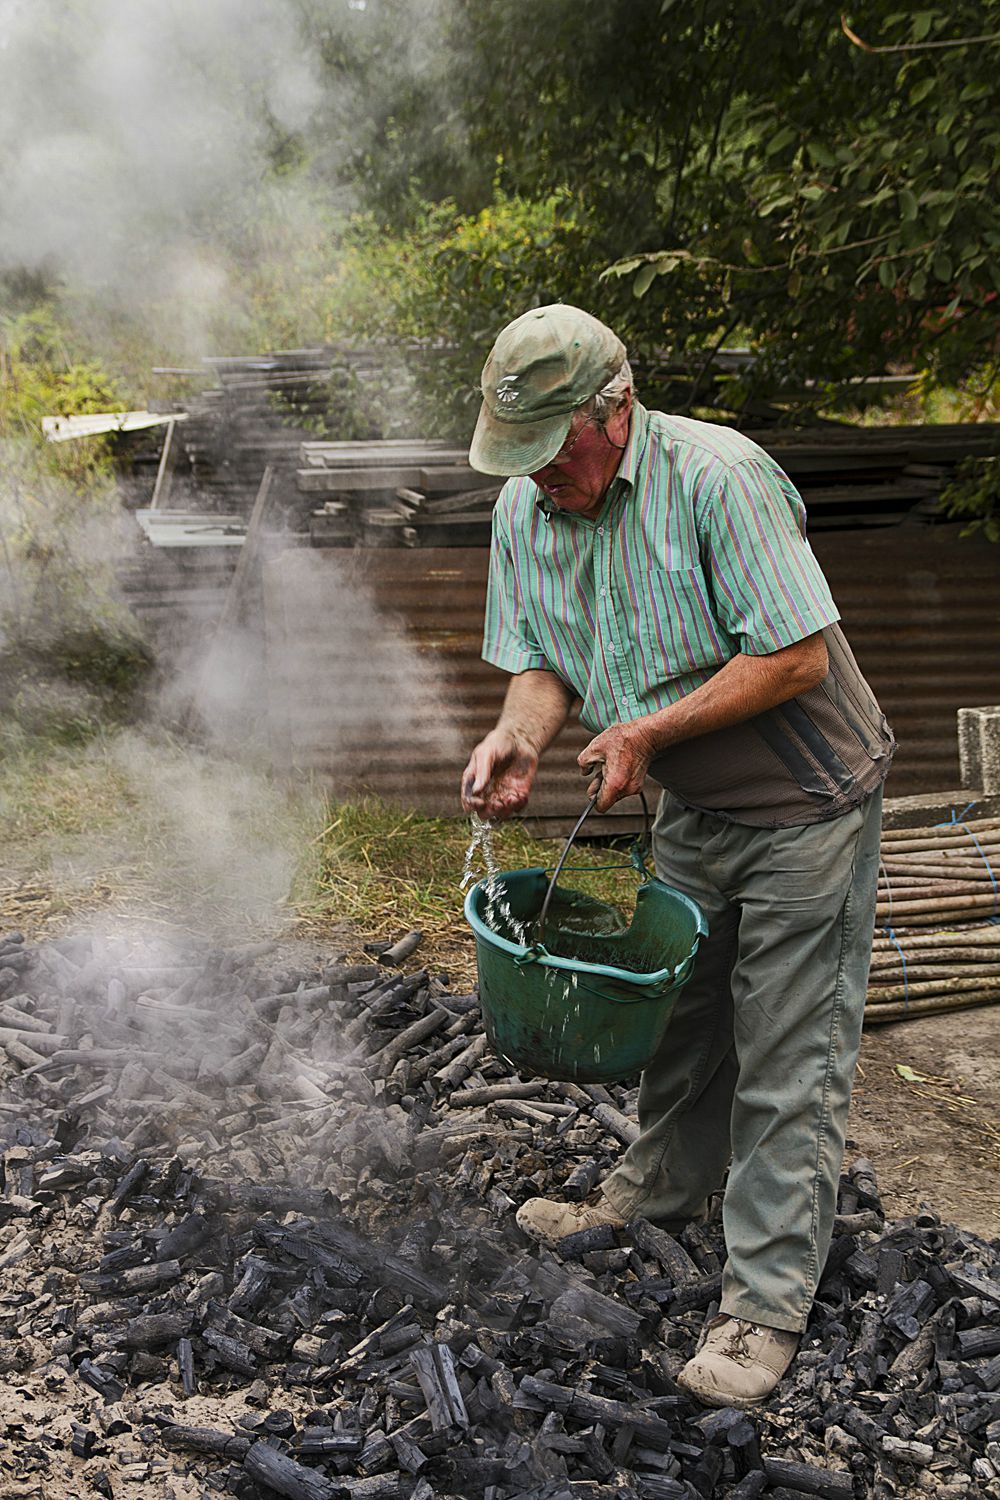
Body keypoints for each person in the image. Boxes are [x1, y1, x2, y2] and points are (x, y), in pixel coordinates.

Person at [459, 303, 894, 1410]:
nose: (537, 476)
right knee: (681, 1015)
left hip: (806, 802)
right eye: (520, 456)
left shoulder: (719, 480)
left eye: (553, 449)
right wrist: (521, 733)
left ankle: (762, 1306)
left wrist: (646, 733)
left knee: (787, 1053)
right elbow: (545, 657)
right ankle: (648, 1197)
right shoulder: (532, 503)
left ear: (614, 410)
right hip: (693, 802)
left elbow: (792, 657)